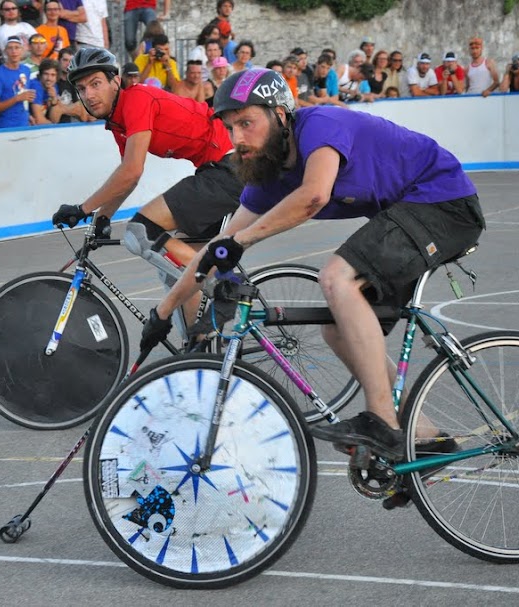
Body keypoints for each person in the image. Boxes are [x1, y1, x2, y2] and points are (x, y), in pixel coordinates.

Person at [139, 68, 485, 462]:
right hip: (403, 217)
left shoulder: (319, 125)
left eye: (246, 123)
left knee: (337, 276)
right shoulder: (268, 174)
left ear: (280, 115)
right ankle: (425, 436)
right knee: (336, 330)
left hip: (443, 203)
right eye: (230, 127)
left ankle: (382, 422)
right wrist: (162, 312)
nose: (237, 138)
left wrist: (243, 241)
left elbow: (313, 196)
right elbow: (219, 249)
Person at [51, 48, 242, 326]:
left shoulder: (136, 99)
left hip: (229, 164)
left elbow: (131, 171)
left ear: (115, 81)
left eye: (95, 84)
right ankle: (198, 343)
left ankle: (228, 284)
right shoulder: (118, 123)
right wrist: (102, 217)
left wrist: (82, 209)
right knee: (177, 268)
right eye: (81, 89)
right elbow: (127, 178)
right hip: (217, 168)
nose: (89, 94)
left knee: (140, 232)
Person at [0, 35, 36, 128]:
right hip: (6, 126)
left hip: (24, 124)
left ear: (22, 50)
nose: (14, 51)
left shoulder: (26, 70)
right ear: (5, 51)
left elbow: (24, 97)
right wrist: (17, 98)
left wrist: (28, 115)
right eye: (10, 48)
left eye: (17, 48)